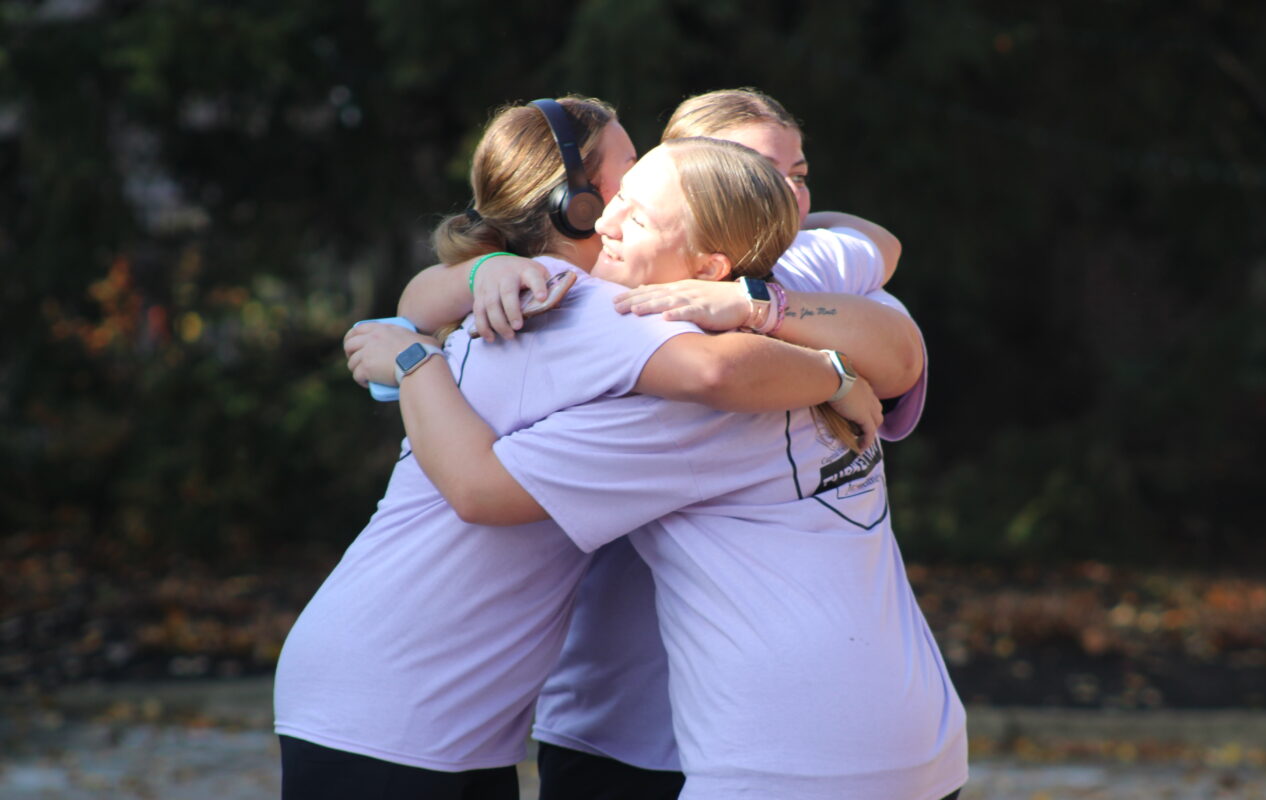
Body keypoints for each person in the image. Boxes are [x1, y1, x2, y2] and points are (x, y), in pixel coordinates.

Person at [274, 96, 882, 800]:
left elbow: (403, 313)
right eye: (635, 170)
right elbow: (715, 369)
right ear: (580, 205)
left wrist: (448, 304)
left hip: (406, 692)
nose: (656, 177)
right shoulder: (585, 303)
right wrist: (835, 376)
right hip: (396, 697)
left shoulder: (521, 287)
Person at [526, 88, 946, 800]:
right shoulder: (606, 298)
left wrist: (762, 305)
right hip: (621, 731)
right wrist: (472, 277)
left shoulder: (800, 278)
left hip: (779, 738)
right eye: (753, 168)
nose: (782, 191)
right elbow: (458, 291)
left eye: (798, 174)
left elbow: (893, 317)